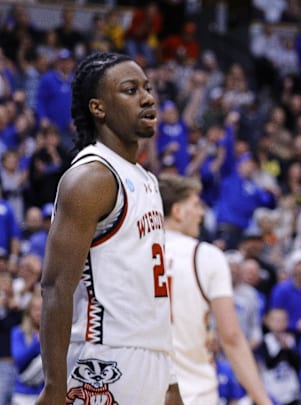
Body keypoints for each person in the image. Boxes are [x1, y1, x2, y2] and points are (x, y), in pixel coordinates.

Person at [37, 52, 182, 405]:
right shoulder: (92, 177)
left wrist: (170, 379)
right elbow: (55, 286)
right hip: (102, 359)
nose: (148, 98)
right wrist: (55, 385)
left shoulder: (146, 180)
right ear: (98, 108)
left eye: (147, 88)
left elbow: (150, 293)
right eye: (130, 90)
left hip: (151, 357)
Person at [158, 173, 273, 405]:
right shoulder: (206, 255)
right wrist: (262, 399)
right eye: (196, 205)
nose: (202, 213)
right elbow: (231, 337)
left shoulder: (134, 252)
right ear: (178, 211)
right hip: (193, 391)